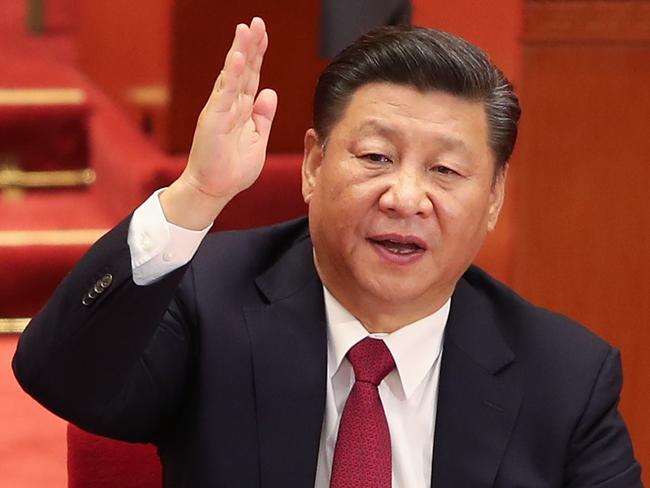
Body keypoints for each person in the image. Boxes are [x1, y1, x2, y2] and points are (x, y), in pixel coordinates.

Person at [13, 17, 642, 488]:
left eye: (446, 171)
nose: (406, 198)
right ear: (313, 165)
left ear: (495, 197)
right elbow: (58, 376)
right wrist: (195, 196)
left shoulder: (565, 378)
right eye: (376, 157)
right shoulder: (210, 301)